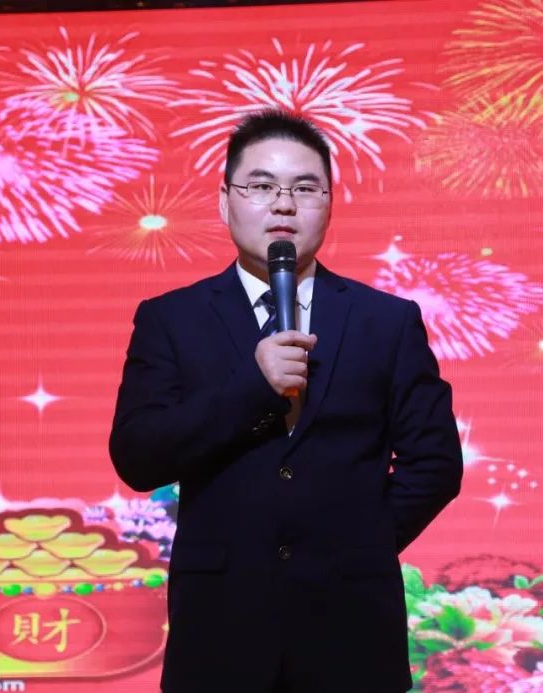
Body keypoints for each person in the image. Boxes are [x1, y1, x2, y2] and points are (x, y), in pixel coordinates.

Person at [109, 110, 462, 693]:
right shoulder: (171, 319)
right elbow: (139, 456)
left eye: (304, 188)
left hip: (351, 632)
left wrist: (358, 544)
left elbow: (435, 464)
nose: (283, 204)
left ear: (329, 204)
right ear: (225, 201)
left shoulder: (386, 321)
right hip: (219, 630)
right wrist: (253, 388)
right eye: (261, 185)